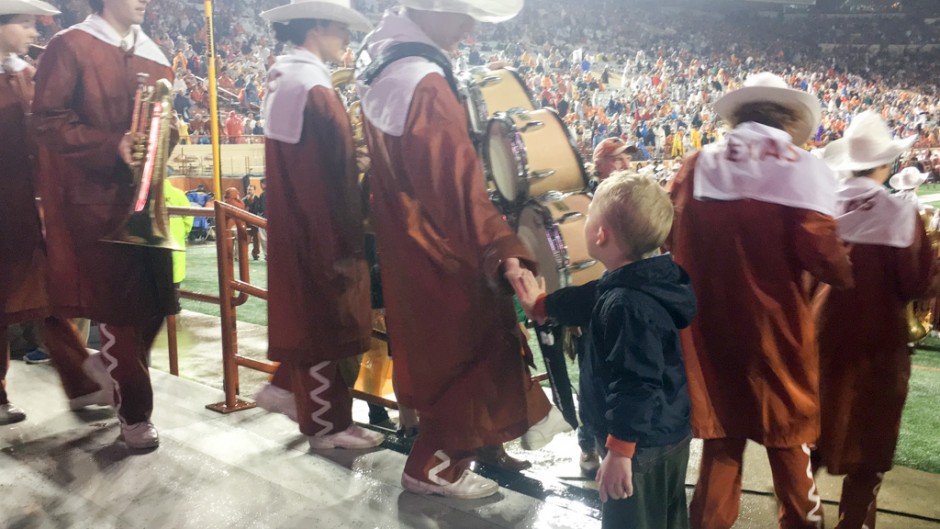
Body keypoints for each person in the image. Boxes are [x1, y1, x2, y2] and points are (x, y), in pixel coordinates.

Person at [356, 0, 570, 499]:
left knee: (442, 355)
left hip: (408, 242)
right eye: (463, 14)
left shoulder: (384, 64)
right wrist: (505, 248)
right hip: (444, 247)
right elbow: (457, 187)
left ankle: (469, 453)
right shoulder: (424, 82)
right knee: (472, 354)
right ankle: (435, 468)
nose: (470, 29)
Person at [667, 72, 854, 529]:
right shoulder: (805, 167)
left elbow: (669, 236)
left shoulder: (695, 164)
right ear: (790, 119)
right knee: (789, 443)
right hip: (778, 331)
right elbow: (830, 262)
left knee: (722, 444)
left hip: (708, 328)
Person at [32, 0, 179, 449]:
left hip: (143, 202)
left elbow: (168, 124)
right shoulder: (71, 44)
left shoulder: (156, 54)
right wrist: (111, 143)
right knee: (120, 314)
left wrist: (159, 140)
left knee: (155, 307)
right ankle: (135, 414)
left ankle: (108, 367)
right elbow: (47, 121)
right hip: (92, 203)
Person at [514, 173, 696, 529]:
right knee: (668, 517)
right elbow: (590, 297)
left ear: (600, 235)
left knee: (631, 520)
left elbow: (636, 382)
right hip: (665, 433)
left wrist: (619, 451)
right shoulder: (647, 277)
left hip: (638, 446)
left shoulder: (626, 305)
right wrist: (543, 304)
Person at [252, 0, 383, 451]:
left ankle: (287, 389)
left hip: (302, 223)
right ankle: (328, 424)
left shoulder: (288, 78)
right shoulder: (312, 88)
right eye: (340, 27)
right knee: (329, 318)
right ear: (316, 28)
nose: (347, 38)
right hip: (321, 229)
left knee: (315, 317)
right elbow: (321, 177)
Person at [815, 111, 937, 529]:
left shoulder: (819, 207)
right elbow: (918, 283)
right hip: (876, 343)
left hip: (819, 336)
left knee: (807, 440)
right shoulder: (902, 214)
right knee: (869, 440)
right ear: (884, 165)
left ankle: (797, 517)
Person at [0, 0, 60, 424]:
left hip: (20, 206)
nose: (33, 32)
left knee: (21, 298)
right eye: (23, 24)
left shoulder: (25, 73)